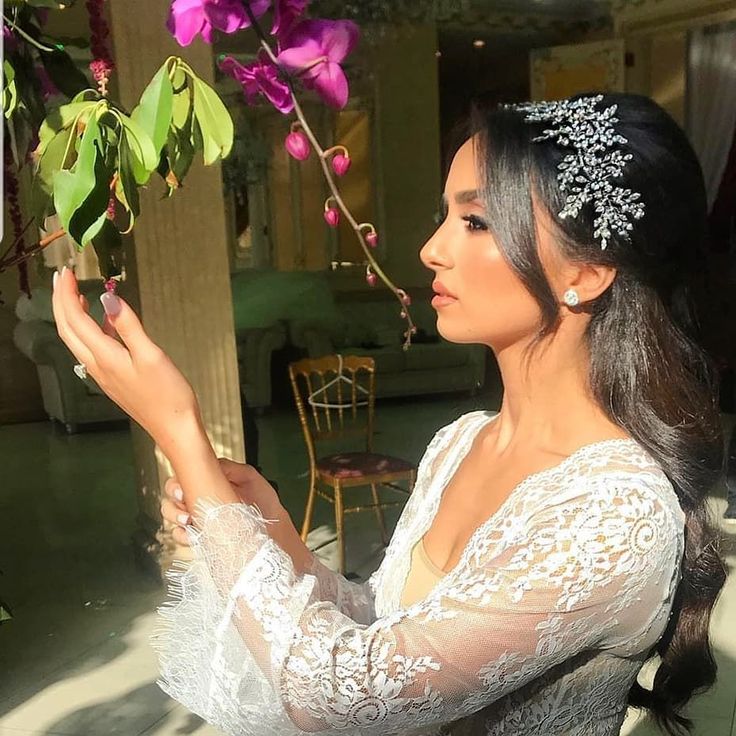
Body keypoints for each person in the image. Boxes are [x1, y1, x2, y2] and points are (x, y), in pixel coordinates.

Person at [53, 93, 726, 736]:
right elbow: (383, 622)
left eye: (476, 220)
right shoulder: (460, 443)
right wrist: (277, 536)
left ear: (586, 272)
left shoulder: (612, 512)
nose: (432, 248)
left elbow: (339, 692)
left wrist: (179, 432)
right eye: (445, 215)